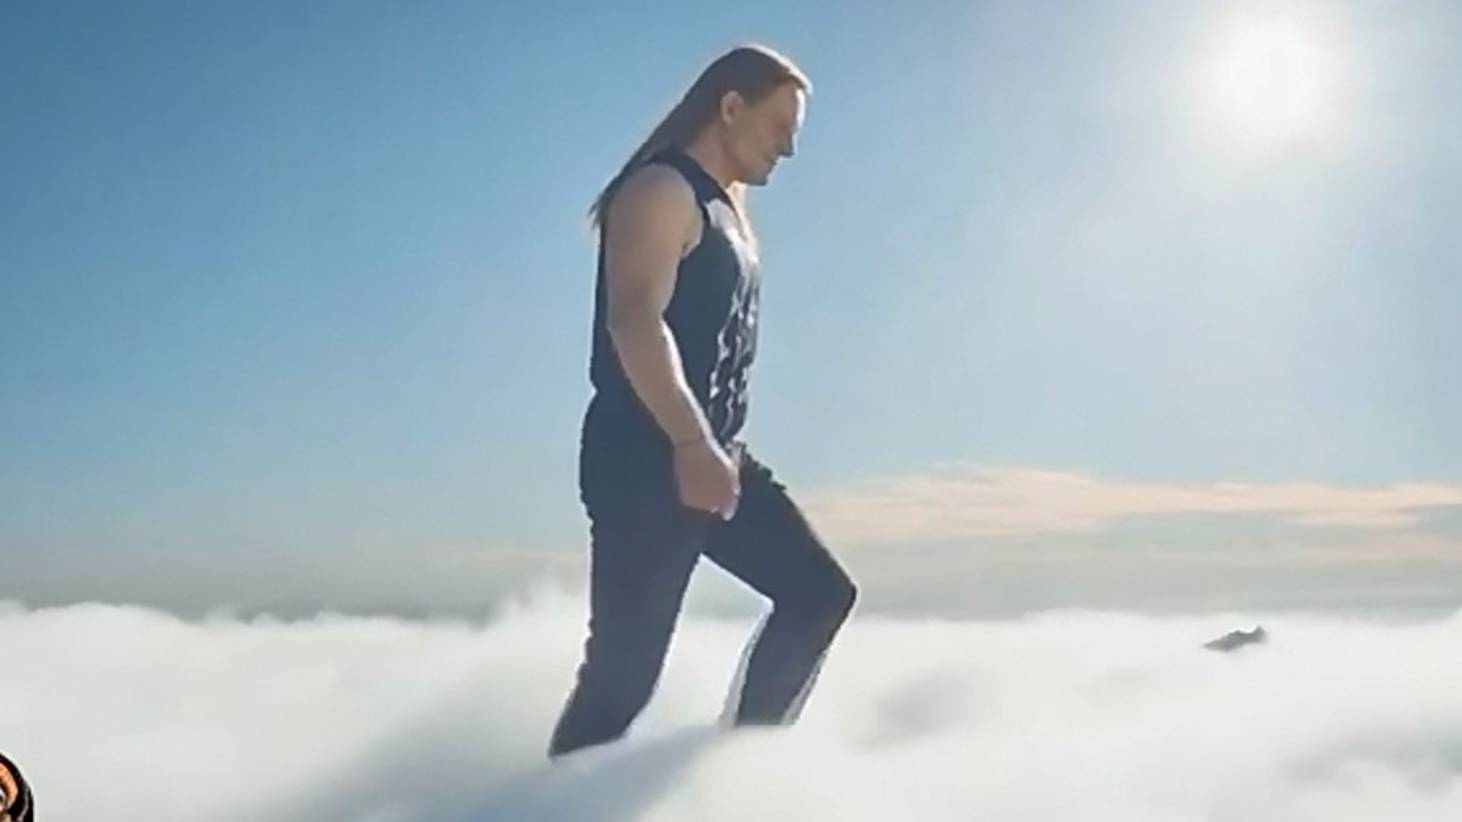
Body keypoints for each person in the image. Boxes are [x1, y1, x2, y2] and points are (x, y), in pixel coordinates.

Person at [547, 43, 857, 760]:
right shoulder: (662, 190)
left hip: (714, 458)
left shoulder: (732, 215)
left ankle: (734, 773)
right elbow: (634, 320)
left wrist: (710, 451)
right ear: (730, 107)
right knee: (620, 684)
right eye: (780, 127)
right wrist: (690, 443)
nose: (789, 148)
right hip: (645, 462)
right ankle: (545, 806)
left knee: (819, 593)